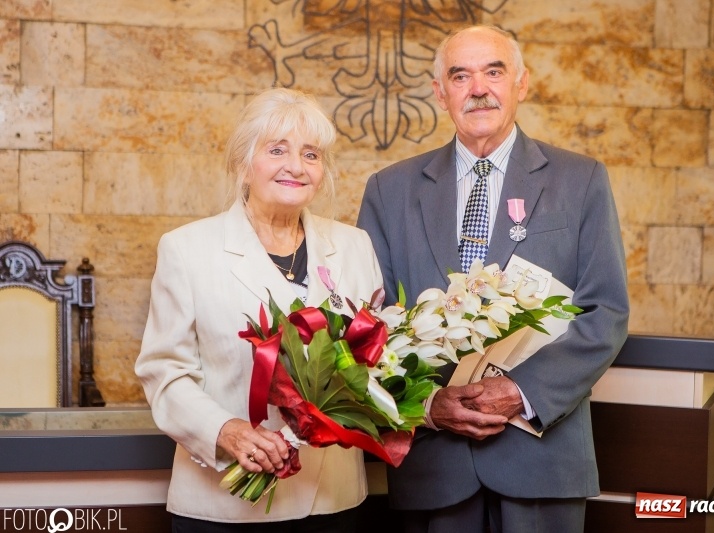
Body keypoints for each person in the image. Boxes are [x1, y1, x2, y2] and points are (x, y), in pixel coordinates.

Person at [357, 25, 629, 532]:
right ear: (441, 92)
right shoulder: (388, 191)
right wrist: (430, 406)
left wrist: (519, 392)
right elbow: (367, 329)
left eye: (493, 71)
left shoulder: (581, 179)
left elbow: (606, 313)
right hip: (433, 465)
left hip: (542, 460)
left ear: (521, 84)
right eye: (460, 75)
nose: (478, 88)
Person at [136, 88, 382, 532]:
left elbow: (375, 357)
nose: (296, 166)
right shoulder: (187, 249)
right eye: (277, 150)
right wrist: (225, 430)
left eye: (311, 154)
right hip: (226, 502)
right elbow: (165, 372)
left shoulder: (353, 245)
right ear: (243, 163)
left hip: (334, 500)